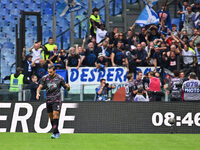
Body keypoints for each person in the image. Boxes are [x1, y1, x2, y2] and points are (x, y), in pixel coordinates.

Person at [36, 65, 70, 139]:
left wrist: (68, 87)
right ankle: (56, 131)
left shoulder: (60, 78)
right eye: (48, 72)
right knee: (51, 118)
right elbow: (39, 87)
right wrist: (37, 93)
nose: (49, 73)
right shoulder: (45, 78)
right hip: (48, 100)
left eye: (51, 72)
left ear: (54, 71)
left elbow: (67, 89)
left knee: (55, 115)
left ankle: (55, 133)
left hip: (56, 99)